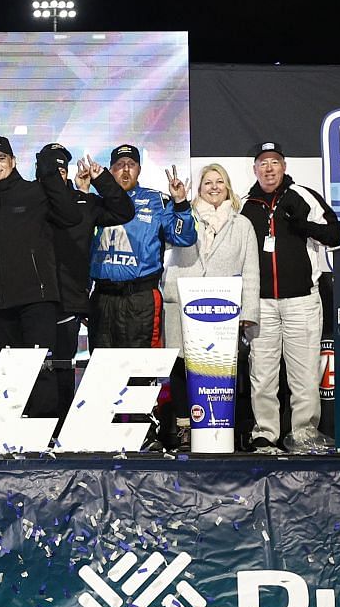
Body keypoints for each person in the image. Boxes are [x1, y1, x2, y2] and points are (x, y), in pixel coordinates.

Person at [0, 137, 95, 418]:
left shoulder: (35, 191)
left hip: (36, 298)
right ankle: (11, 434)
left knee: (40, 368)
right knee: (10, 373)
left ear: (13, 161)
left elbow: (70, 215)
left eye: (1, 159)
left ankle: (42, 436)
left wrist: (50, 172)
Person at [88, 144, 196, 447]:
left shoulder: (156, 201)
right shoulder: (96, 202)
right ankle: (104, 430)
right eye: (119, 164)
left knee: (141, 367)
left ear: (139, 169)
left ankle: (142, 432)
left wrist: (181, 203)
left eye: (131, 164)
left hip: (141, 297)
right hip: (104, 296)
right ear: (110, 170)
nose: (125, 170)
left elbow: (184, 236)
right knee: (103, 367)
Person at [240, 141, 340, 453]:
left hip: (301, 300)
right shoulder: (246, 205)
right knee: (262, 373)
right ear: (255, 168)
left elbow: (336, 235)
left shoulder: (303, 196)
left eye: (274, 162)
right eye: (263, 163)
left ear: (284, 166)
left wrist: (304, 226)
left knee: (304, 373)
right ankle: (265, 435)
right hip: (261, 303)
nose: (269, 168)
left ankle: (304, 433)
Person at [163, 163, 264, 445]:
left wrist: (249, 312)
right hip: (184, 304)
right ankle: (184, 427)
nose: (214, 187)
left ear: (228, 187)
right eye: (208, 182)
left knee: (219, 369)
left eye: (219, 181)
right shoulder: (184, 216)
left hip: (222, 311)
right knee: (182, 365)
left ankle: (220, 430)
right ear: (199, 189)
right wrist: (179, 204)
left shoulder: (242, 225)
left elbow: (251, 270)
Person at [50, 146, 135, 413]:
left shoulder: (83, 201)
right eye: (53, 171)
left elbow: (124, 211)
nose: (58, 175)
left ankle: (61, 424)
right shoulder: (34, 199)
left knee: (64, 364)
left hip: (70, 297)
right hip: (33, 297)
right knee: (32, 364)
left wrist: (99, 182)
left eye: (63, 170)